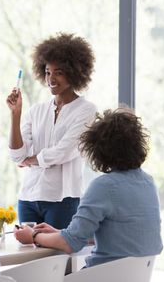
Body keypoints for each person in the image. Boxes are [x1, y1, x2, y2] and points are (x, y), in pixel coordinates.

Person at [14, 108, 163, 267]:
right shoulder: (148, 182)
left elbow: (70, 244)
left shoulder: (104, 186)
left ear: (99, 149)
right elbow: (119, 234)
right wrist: (61, 233)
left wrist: (33, 235)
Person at [6, 33, 97, 229]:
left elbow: (64, 151)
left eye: (59, 72)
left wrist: (31, 160)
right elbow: (17, 155)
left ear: (75, 73)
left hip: (62, 200)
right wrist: (15, 115)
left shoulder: (86, 111)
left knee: (58, 257)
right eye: (47, 72)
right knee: (29, 256)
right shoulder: (35, 111)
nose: (51, 79)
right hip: (28, 198)